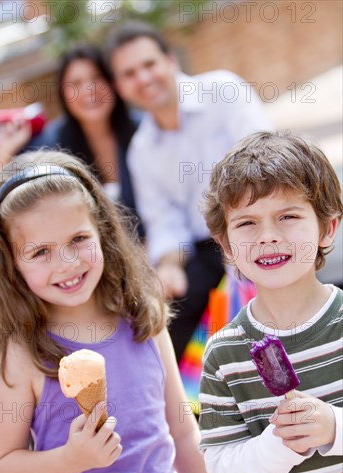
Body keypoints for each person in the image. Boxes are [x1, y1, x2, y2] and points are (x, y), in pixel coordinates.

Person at [0, 149, 235, 473]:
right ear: (12, 264)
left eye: (78, 239)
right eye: (40, 252)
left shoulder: (144, 322)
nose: (65, 263)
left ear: (102, 232)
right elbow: (0, 470)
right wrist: (70, 459)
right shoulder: (23, 354)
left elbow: (183, 434)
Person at [199, 131, 343, 473]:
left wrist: (332, 426)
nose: (267, 235)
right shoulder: (225, 354)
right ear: (226, 244)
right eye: (247, 222)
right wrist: (282, 441)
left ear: (327, 228)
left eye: (288, 216)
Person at [106, 21, 272, 361]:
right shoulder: (142, 150)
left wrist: (241, 237)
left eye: (149, 64)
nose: (143, 78)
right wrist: (169, 265)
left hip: (261, 222)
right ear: (121, 87)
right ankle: (195, 405)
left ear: (171, 61)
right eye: (129, 73)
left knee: (262, 313)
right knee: (163, 320)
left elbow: (266, 162)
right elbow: (165, 221)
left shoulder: (223, 91)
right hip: (205, 247)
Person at [31, 44, 144, 237]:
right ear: (63, 94)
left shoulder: (142, 130)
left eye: (96, 78)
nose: (88, 90)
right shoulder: (50, 149)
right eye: (75, 84)